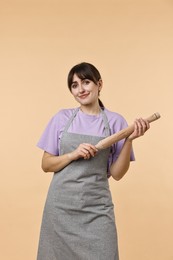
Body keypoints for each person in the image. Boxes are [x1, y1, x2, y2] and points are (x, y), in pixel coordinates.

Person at [36, 62, 150, 260]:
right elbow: (46, 164)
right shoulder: (61, 118)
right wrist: (72, 154)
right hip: (61, 208)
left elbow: (117, 174)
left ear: (99, 84)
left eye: (86, 82)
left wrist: (129, 140)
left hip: (96, 208)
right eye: (74, 85)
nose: (81, 89)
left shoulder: (116, 122)